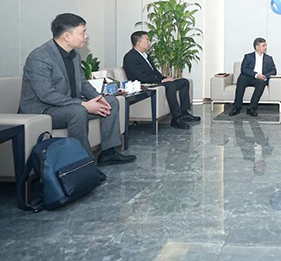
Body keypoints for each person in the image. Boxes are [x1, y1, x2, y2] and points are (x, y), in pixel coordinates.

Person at [20, 13, 136, 166]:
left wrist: (99, 98)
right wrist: (83, 104)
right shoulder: (40, 57)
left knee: (111, 102)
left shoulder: (74, 55)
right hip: (44, 109)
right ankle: (83, 163)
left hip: (66, 106)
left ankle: (108, 153)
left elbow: (82, 83)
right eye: (82, 32)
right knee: (78, 111)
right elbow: (46, 94)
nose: (86, 36)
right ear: (67, 36)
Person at [123, 31, 200, 130]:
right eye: (147, 40)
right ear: (139, 43)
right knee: (170, 86)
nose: (149, 43)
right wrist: (161, 81)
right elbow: (141, 76)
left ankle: (185, 113)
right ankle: (176, 118)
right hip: (144, 85)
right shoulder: (130, 57)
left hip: (154, 81)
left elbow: (154, 71)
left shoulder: (146, 56)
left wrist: (164, 78)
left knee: (184, 82)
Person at [229, 38, 277, 117]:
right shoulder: (248, 56)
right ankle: (237, 107)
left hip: (260, 79)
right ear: (257, 47)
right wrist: (256, 75)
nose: (265, 47)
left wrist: (265, 76)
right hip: (249, 77)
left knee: (262, 83)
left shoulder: (269, 58)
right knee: (241, 79)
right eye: (263, 46)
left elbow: (274, 71)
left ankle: (251, 108)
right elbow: (244, 69)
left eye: (266, 45)